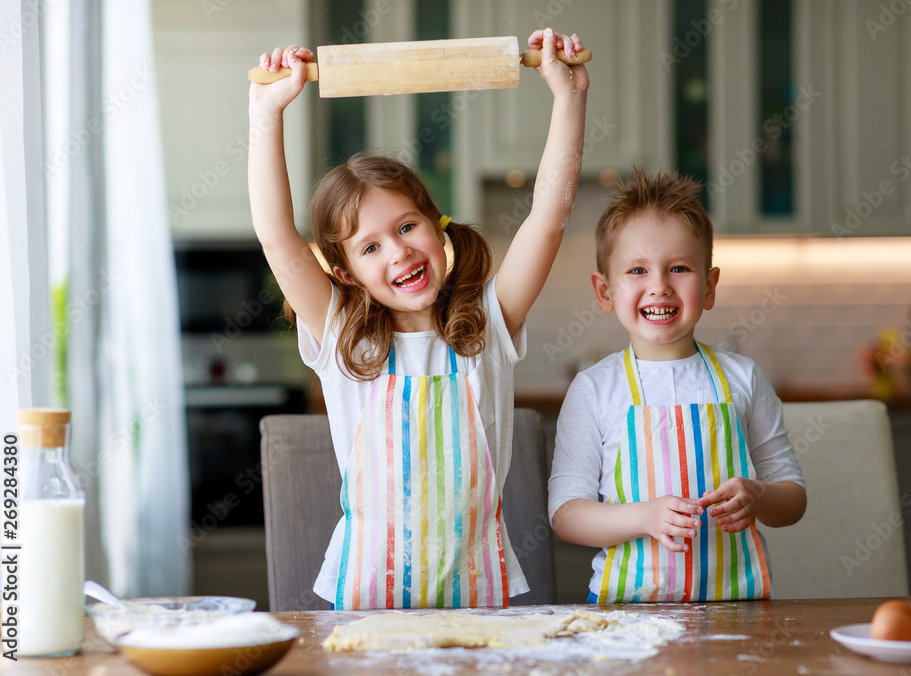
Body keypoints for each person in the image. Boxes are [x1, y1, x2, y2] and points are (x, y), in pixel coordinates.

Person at [248, 29, 588, 610]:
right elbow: (278, 239)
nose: (399, 252)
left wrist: (569, 97)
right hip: (367, 597)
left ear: (437, 226)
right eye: (370, 246)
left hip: (477, 594)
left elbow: (548, 218)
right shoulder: (341, 335)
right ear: (346, 271)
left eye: (407, 227)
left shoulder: (489, 323)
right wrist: (266, 115)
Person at [548, 167, 806, 603]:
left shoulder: (743, 378)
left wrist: (758, 495)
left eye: (679, 268)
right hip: (628, 616)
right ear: (604, 291)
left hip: (737, 611)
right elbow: (566, 515)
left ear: (709, 285)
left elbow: (793, 500)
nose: (659, 287)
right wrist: (644, 517)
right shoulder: (593, 389)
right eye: (637, 270)